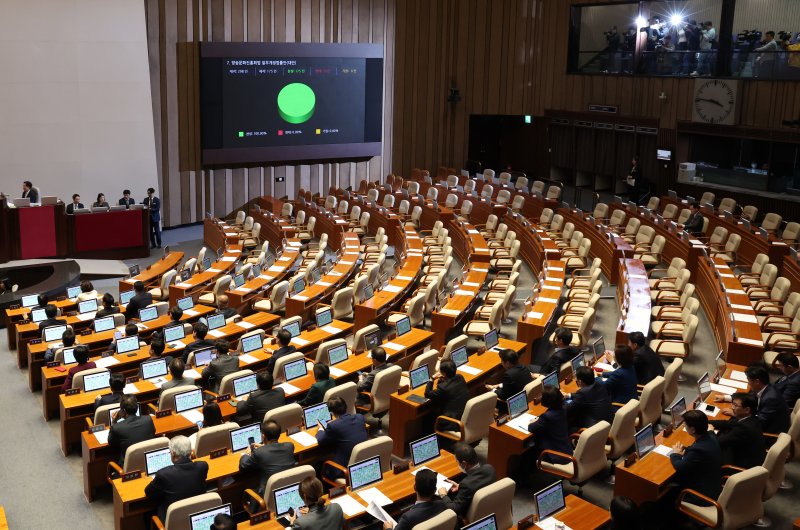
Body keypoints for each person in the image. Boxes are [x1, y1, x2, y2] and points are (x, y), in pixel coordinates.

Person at [144, 435, 209, 523]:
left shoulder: (163, 474)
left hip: (172, 520)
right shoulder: (203, 466)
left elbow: (148, 492)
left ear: (173, 453)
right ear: (190, 451)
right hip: (196, 515)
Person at [715, 364, 790, 433]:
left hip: (768, 433)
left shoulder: (771, 399)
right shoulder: (765, 387)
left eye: (749, 380)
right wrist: (725, 397)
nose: (748, 383)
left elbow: (760, 422)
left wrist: (736, 414)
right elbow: (749, 397)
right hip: (761, 420)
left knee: (726, 430)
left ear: (757, 381)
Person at [669, 410, 722, 502]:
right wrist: (685, 450)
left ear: (693, 430)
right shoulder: (711, 436)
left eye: (685, 425)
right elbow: (696, 450)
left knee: (669, 491)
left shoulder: (698, 449)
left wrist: (675, 454)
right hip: (714, 483)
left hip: (701, 495)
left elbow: (680, 467)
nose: (683, 426)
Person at [437, 443, 496, 518]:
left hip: (471, 515)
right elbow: (479, 484)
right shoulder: (490, 468)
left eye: (457, 461)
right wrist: (459, 486)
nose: (456, 463)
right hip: (490, 506)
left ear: (464, 463)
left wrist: (443, 495)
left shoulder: (467, 484)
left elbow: (454, 509)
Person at [315, 396, 368, 478]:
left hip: (344, 468)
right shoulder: (360, 417)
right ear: (346, 406)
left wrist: (321, 428)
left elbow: (321, 440)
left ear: (332, 413)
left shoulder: (333, 425)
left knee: (318, 465)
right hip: (363, 462)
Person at [239, 420, 295, 496]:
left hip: (268, 494)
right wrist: (265, 447)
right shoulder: (290, 446)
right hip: (290, 488)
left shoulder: (259, 452)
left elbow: (243, 466)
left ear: (263, 436)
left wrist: (246, 454)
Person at [710, 392, 765, 468]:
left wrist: (710, 431)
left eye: (735, 405)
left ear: (747, 410)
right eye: (733, 404)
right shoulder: (750, 418)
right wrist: (705, 421)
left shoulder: (744, 428)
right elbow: (727, 423)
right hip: (743, 453)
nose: (732, 407)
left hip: (739, 466)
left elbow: (719, 442)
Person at [527, 386, 574, 462]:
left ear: (547, 400)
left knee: (530, 448)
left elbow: (531, 428)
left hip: (556, 455)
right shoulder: (562, 409)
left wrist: (533, 421)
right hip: (567, 449)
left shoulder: (547, 416)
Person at [108, 395, 156, 465]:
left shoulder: (117, 427)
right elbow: (153, 433)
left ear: (123, 411)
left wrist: (113, 422)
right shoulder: (148, 419)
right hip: (149, 462)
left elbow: (111, 443)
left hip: (129, 467)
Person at [424, 359, 469, 432]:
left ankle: (437, 438)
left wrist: (431, 379)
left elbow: (427, 394)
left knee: (428, 416)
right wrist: (443, 380)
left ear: (444, 373)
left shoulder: (443, 388)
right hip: (463, 415)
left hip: (451, 421)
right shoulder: (460, 377)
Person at [564, 366, 613, 430]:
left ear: (580, 382)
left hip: (595, 428)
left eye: (576, 379)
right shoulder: (600, 383)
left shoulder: (583, 393)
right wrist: (569, 395)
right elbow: (589, 395)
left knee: (568, 421)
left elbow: (568, 409)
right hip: (608, 422)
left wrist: (558, 399)